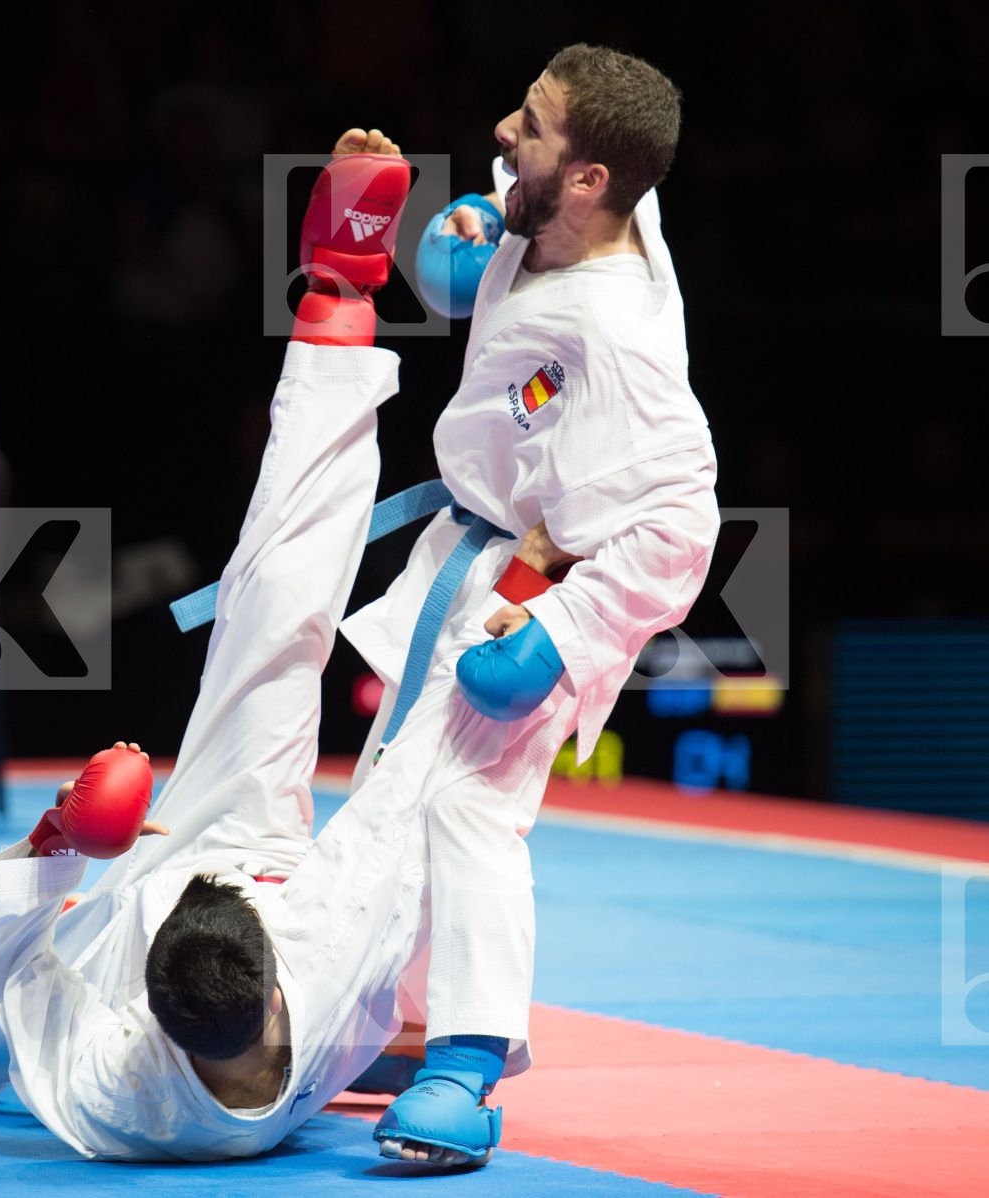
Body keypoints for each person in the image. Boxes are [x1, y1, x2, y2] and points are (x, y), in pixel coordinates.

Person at [0, 130, 573, 1163]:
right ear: (268, 990)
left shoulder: (98, 1076)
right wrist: (531, 585)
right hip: (287, 925)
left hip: (166, 898)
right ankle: (340, 295)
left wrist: (57, 836)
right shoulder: (327, 956)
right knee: (365, 706)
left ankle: (338, 285)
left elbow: (15, 956)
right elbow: (427, 768)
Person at [333, 45, 721, 1163]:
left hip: (546, 577)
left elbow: (682, 524)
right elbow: (498, 247)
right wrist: (457, 239)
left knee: (469, 806)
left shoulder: (621, 338)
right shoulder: (570, 207)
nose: (505, 132)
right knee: (392, 789)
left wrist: (564, 627)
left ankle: (467, 1065)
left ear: (591, 178)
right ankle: (404, 1020)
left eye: (533, 126)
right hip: (470, 545)